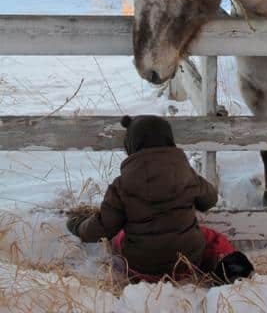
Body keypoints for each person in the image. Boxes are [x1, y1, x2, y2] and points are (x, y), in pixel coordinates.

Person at [67, 114, 253, 283]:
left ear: (130, 145)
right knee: (210, 238)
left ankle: (124, 270)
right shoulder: (185, 174)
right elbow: (210, 200)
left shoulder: (121, 185)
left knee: (119, 236)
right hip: (186, 264)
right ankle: (230, 266)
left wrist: (77, 225)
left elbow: (103, 227)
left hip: (141, 269)